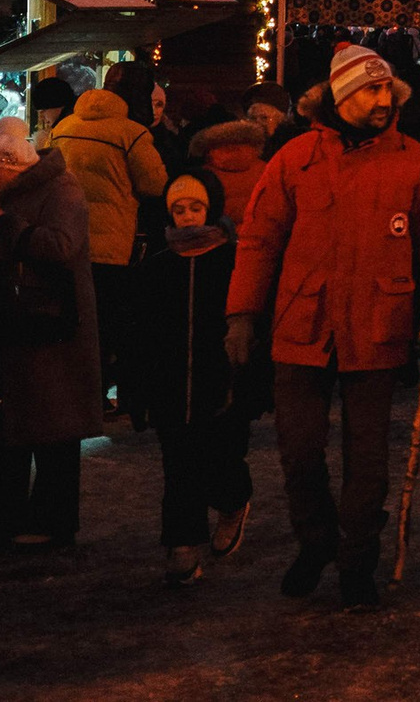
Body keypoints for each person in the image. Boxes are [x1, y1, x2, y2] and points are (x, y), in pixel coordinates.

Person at [228, 42, 420, 610]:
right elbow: (259, 240)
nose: (383, 99)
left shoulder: (411, 158)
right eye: (370, 90)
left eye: (387, 90)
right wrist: (241, 315)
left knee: (369, 461)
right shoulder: (296, 157)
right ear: (341, 95)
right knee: (300, 453)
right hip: (302, 324)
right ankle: (316, 542)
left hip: (378, 325)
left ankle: (359, 562)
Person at [0, 126, 97, 550]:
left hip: (53, 325)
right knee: (11, 421)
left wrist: (5, 225)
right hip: (19, 322)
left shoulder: (63, 191)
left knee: (54, 422)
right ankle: (1, 517)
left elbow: (61, 247)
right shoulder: (4, 196)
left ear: (13, 169)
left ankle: (52, 519)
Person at [130, 171, 256, 584]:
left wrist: (250, 379)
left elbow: (247, 320)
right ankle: (182, 543)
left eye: (195, 208)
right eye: (178, 209)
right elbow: (142, 331)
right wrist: (140, 388)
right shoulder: (158, 267)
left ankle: (233, 501)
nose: (186, 217)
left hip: (220, 384)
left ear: (211, 209)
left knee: (220, 458)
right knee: (178, 464)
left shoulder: (231, 259)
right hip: (170, 386)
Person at [43, 87, 165, 413]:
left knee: (76, 322)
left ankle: (76, 394)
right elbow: (154, 183)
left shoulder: (64, 127)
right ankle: (106, 397)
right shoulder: (132, 133)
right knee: (110, 324)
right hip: (112, 244)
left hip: (69, 239)